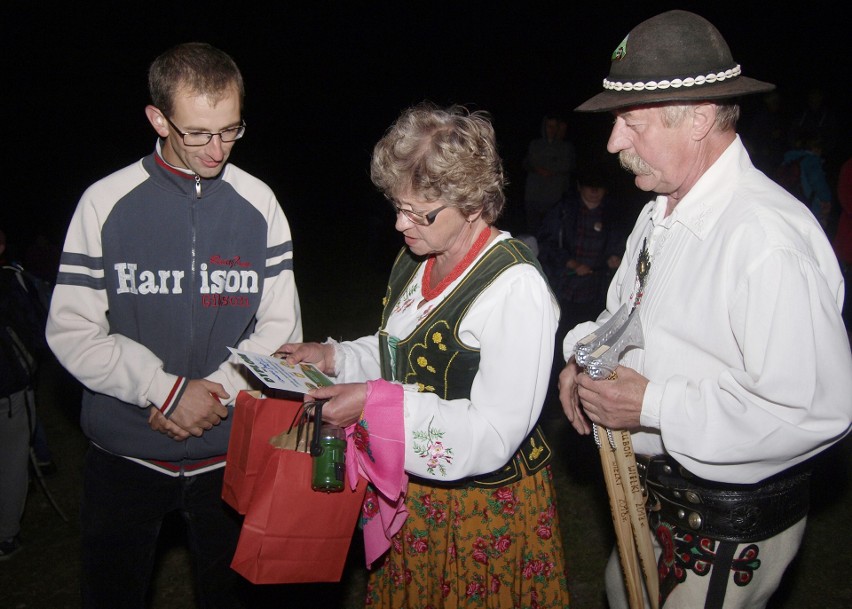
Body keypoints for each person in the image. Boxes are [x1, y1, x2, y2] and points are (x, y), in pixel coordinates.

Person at [557, 10, 852, 609]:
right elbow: (628, 318)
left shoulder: (763, 238)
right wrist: (586, 359)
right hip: (650, 505)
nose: (614, 142)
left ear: (697, 118)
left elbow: (813, 408)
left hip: (720, 529)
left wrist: (651, 404)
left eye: (630, 123)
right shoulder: (659, 211)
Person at [277, 103, 571, 608]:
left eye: (417, 212)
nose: (399, 224)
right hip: (414, 493)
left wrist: (374, 406)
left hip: (482, 512)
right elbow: (405, 351)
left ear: (473, 202)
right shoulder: (420, 258)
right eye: (397, 205)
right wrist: (334, 358)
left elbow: (495, 434)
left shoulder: (515, 288)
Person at [45, 42, 302, 608]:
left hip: (228, 453)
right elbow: (71, 328)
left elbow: (280, 331)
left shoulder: (259, 202)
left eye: (231, 130)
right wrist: (163, 390)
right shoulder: (104, 202)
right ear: (158, 119)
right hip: (124, 454)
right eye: (198, 134)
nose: (217, 150)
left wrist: (216, 394)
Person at [0, 228, 47, 560]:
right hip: (9, 388)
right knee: (12, 462)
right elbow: (37, 325)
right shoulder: (11, 279)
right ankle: (6, 535)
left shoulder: (14, 277)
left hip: (11, 387)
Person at [537, 163, 626, 338]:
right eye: (589, 186)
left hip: (595, 294)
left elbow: (620, 245)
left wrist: (614, 258)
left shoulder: (613, 215)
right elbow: (546, 243)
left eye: (599, 187)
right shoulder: (563, 211)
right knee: (558, 336)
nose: (594, 191)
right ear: (579, 187)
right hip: (563, 289)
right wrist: (572, 263)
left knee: (587, 339)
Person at [523, 113, 576, 235]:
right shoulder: (535, 144)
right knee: (532, 233)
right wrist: (537, 168)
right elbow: (528, 162)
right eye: (549, 126)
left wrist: (550, 168)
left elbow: (567, 165)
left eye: (554, 127)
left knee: (552, 234)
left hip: (554, 199)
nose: (551, 130)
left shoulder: (565, 147)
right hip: (533, 198)